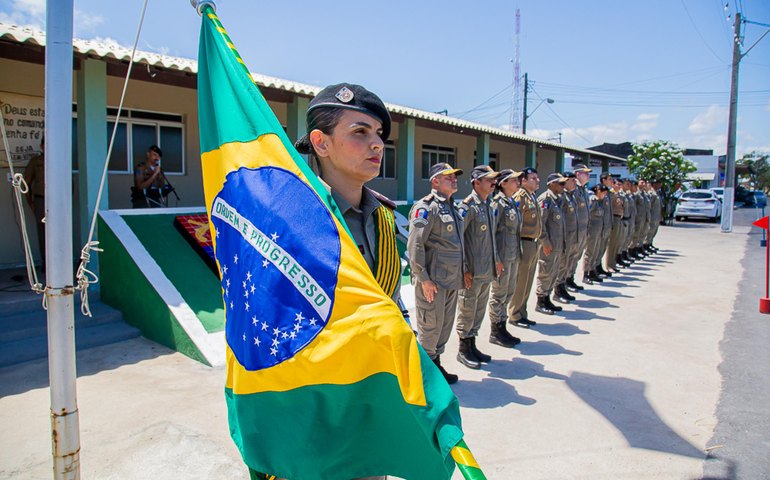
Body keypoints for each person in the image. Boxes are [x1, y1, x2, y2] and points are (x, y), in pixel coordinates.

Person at [286, 82, 401, 480]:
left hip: (372, 396)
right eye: (359, 132)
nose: (377, 144)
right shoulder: (293, 222)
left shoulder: (384, 219)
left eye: (379, 135)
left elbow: (391, 305)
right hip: (316, 403)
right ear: (320, 142)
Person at [408, 162, 465, 384]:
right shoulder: (426, 207)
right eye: (448, 176)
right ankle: (426, 377)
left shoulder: (452, 207)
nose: (454, 179)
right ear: (435, 181)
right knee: (430, 328)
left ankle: (435, 366)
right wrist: (424, 279)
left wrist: (464, 272)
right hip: (433, 281)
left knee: (443, 328)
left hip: (451, 279)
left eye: (454, 176)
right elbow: (415, 245)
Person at [455, 165, 501, 369]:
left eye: (494, 179)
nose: (493, 182)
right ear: (477, 182)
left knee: (479, 310)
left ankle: (472, 344)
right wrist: (463, 268)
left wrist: (496, 260)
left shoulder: (488, 205)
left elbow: (491, 239)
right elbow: (459, 240)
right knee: (467, 308)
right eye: (489, 179)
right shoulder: (468, 207)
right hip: (472, 271)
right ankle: (463, 349)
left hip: (485, 270)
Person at [487, 168, 524, 348]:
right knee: (499, 294)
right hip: (502, 257)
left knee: (509, 292)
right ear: (503, 184)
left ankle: (502, 326)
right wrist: (496, 259)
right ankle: (496, 329)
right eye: (514, 180)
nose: (518, 182)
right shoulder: (497, 204)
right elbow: (492, 234)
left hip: (513, 255)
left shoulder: (511, 202)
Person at [508, 167, 542, 328]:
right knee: (520, 281)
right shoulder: (519, 197)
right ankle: (514, 314)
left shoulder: (532, 196)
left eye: (537, 178)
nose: (537, 181)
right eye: (533, 178)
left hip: (533, 242)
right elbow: (514, 223)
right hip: (523, 242)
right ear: (523, 181)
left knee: (528, 281)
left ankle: (522, 311)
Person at [535, 173, 568, 315]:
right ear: (551, 184)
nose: (563, 186)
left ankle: (547, 297)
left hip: (557, 243)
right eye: (560, 183)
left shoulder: (558, 200)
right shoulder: (545, 199)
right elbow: (540, 224)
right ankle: (541, 301)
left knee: (553, 271)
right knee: (546, 272)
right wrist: (545, 242)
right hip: (548, 245)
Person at [554, 171, 579, 304]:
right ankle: (557, 291)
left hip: (571, 236)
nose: (574, 182)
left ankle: (562, 286)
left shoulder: (571, 196)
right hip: (563, 237)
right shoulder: (561, 197)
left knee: (567, 263)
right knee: (561, 264)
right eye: (571, 180)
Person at [570, 163, 592, 289]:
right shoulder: (575, 189)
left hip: (583, 229)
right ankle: (564, 281)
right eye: (585, 173)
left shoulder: (583, 189)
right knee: (571, 257)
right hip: (575, 230)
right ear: (578, 174)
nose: (588, 175)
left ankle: (570, 278)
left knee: (576, 257)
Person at [24, 138, 45, 267]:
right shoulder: (35, 162)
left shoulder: (60, 159)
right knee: (43, 232)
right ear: (42, 146)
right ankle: (46, 262)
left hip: (58, 201)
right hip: (40, 200)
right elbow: (26, 183)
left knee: (61, 231)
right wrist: (30, 202)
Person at [583, 184, 609, 284]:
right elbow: (588, 214)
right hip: (592, 231)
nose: (605, 195)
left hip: (598, 231)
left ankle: (592, 271)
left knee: (595, 252)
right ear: (598, 191)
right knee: (590, 252)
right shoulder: (593, 200)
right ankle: (586, 274)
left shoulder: (599, 201)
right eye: (603, 193)